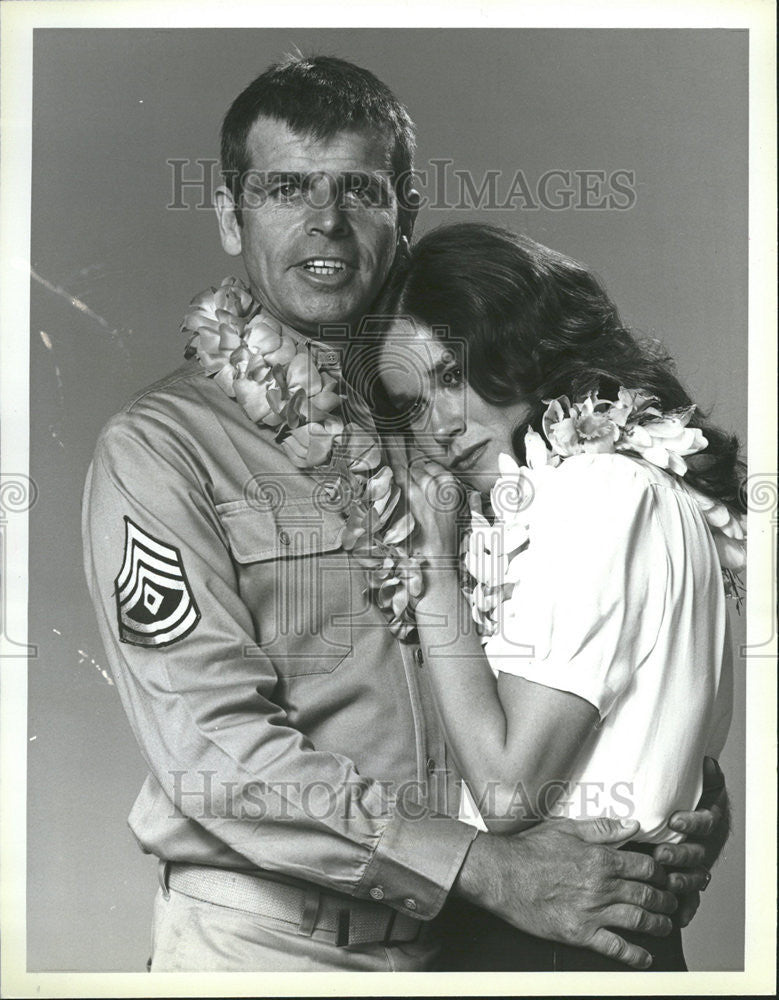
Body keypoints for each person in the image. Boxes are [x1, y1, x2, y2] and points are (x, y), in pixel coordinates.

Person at [82, 55, 724, 973]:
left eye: (361, 190)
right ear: (229, 214)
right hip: (272, 950)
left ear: (406, 211)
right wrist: (487, 869)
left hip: (468, 952)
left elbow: (607, 636)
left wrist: (673, 819)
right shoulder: (160, 450)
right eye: (284, 188)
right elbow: (218, 752)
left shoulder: (475, 416)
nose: (326, 221)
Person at [370, 222, 744, 970]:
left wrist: (433, 566)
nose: (438, 426)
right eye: (412, 402)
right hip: (613, 930)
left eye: (451, 374)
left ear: (519, 341)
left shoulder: (590, 493)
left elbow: (508, 795)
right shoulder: (644, 483)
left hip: (547, 939)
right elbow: (695, 769)